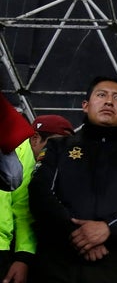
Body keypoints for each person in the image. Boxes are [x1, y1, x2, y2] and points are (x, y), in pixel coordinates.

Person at [28, 76, 117, 283]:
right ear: (85, 105)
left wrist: (108, 229)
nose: (109, 101)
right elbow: (40, 193)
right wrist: (78, 234)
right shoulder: (59, 147)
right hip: (56, 264)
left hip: (115, 265)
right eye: (101, 95)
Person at [0, 115, 75, 283]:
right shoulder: (15, 159)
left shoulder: (37, 167)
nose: (58, 153)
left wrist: (23, 257)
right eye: (53, 145)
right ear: (34, 139)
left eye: (65, 148)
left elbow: (23, 212)